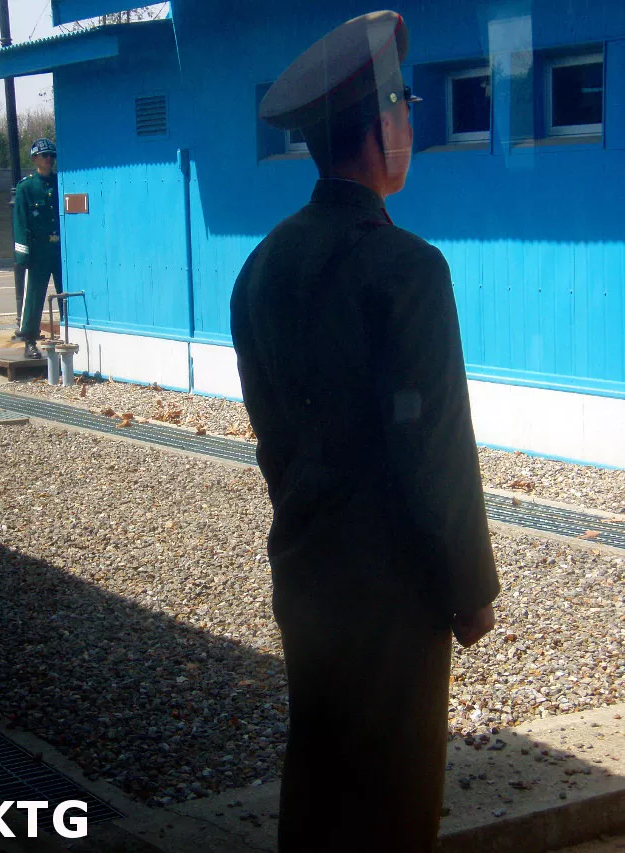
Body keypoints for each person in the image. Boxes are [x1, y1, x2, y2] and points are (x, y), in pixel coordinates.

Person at [230, 10, 500, 853]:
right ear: (382, 125)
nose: (412, 126)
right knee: (392, 800)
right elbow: (436, 451)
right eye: (407, 109)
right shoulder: (408, 267)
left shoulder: (262, 266)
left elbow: (273, 439)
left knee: (318, 778)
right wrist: (470, 585)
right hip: (394, 591)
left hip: (307, 569)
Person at [13, 137, 63, 359]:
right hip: (38, 251)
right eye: (45, 155)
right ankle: (29, 340)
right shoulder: (26, 187)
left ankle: (71, 335)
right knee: (34, 296)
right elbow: (21, 222)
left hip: (60, 249)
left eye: (52, 155)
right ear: (35, 158)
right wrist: (22, 254)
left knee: (65, 294)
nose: (49, 159)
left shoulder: (60, 181)